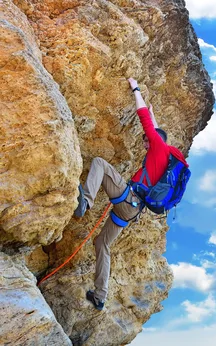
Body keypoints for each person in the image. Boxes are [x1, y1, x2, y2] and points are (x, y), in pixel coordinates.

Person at [74, 77, 188, 310]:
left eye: (146, 141)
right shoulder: (168, 156)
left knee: (99, 163)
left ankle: (84, 202)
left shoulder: (157, 146)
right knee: (102, 244)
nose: (144, 144)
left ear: (155, 140)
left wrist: (135, 87)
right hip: (130, 213)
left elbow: (144, 118)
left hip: (127, 199)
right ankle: (100, 296)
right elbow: (156, 130)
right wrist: (155, 116)